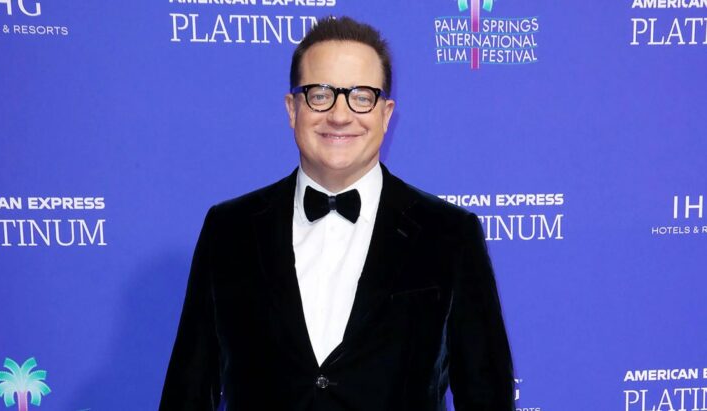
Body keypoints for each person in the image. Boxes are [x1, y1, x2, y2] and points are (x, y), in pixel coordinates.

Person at [160, 16, 514, 411]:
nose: (340, 115)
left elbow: (486, 396)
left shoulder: (449, 234)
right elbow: (187, 392)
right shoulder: (229, 230)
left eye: (361, 96)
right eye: (320, 94)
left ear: (386, 113)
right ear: (292, 109)